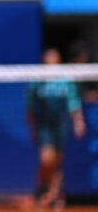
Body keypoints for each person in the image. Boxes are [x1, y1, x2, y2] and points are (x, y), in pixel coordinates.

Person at [27, 47, 86, 209]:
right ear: (44, 60)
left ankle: (54, 195)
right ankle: (41, 189)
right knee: (47, 159)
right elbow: (30, 107)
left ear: (58, 61)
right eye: (48, 58)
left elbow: (73, 102)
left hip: (60, 124)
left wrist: (78, 121)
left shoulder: (65, 80)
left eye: (54, 58)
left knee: (57, 162)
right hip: (44, 125)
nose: (51, 62)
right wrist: (31, 128)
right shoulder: (36, 80)